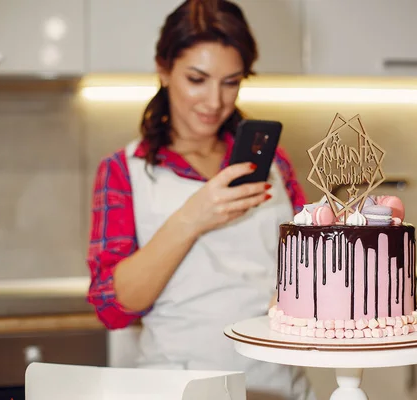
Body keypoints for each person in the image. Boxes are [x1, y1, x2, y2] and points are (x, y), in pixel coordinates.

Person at [86, 1, 316, 398]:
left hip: (281, 386)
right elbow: (113, 308)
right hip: (179, 387)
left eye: (231, 82)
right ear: (163, 69)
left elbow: (308, 268)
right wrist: (190, 219)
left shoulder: (273, 162)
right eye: (197, 79)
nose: (214, 101)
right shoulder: (124, 171)